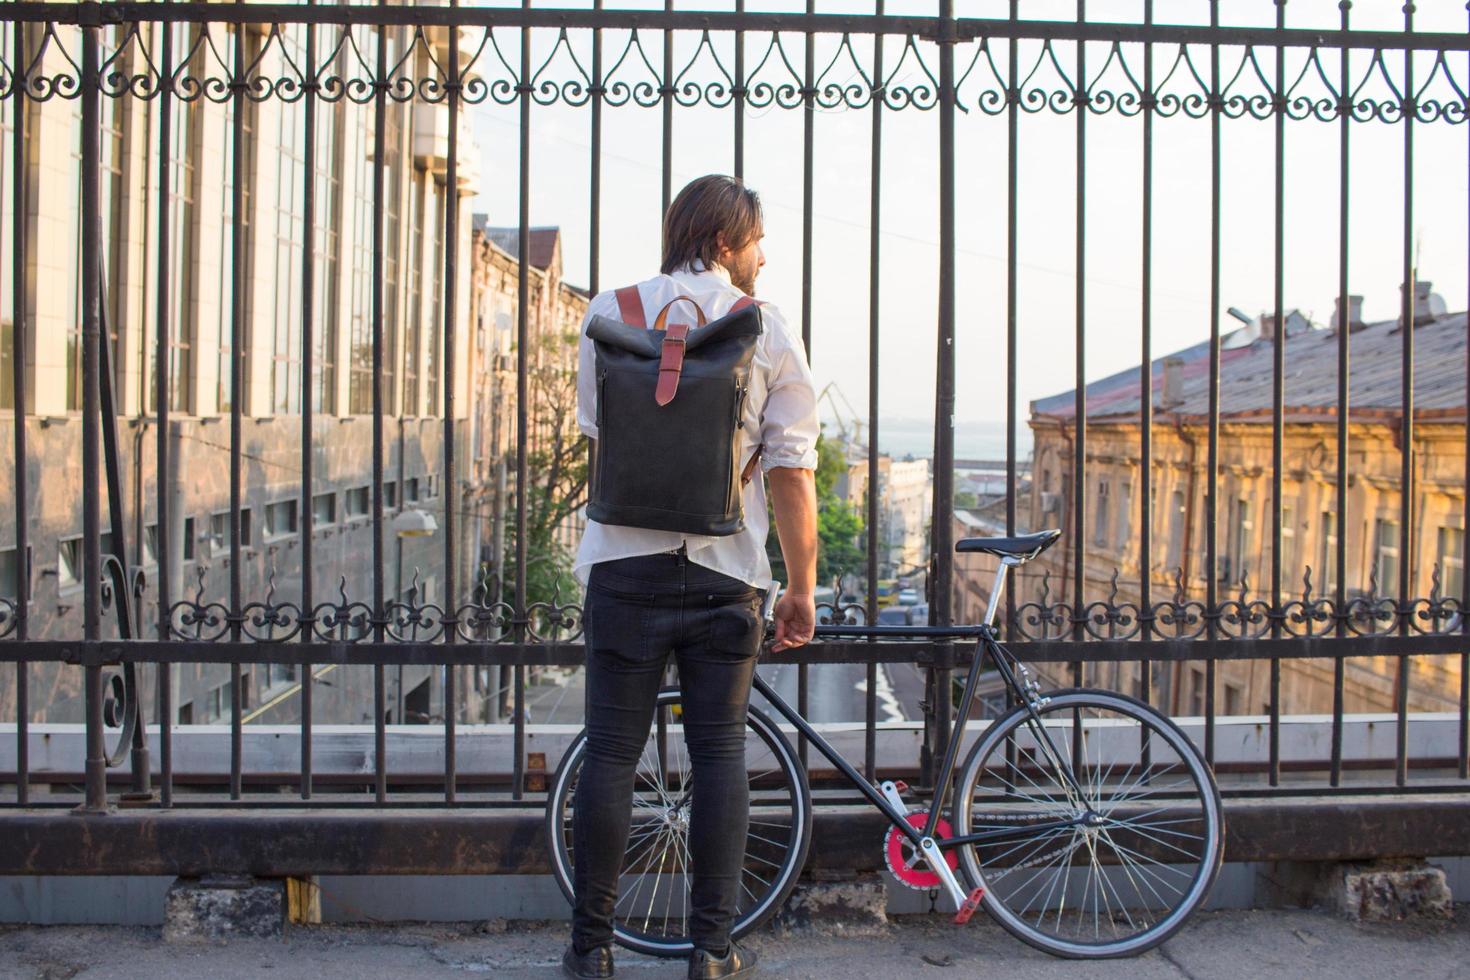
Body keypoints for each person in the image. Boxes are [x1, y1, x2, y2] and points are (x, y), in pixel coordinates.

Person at [563, 174, 820, 980]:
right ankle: (711, 951)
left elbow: (602, 432)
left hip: (622, 567)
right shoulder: (765, 328)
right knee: (717, 758)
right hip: (724, 574)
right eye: (755, 243)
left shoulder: (609, 315)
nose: (763, 257)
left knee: (610, 755)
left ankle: (590, 947)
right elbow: (790, 469)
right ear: (721, 243)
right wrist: (802, 586)